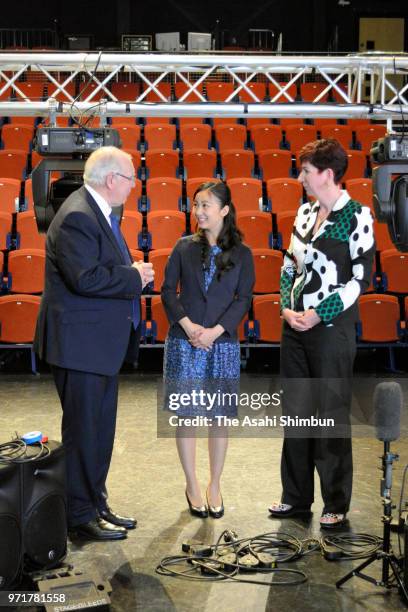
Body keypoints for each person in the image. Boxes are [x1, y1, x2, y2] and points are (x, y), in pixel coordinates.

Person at [34, 146, 154, 541]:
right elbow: (85, 279)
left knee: (98, 433)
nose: (133, 186)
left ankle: (95, 504)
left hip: (96, 348)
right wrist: (134, 276)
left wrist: (128, 273)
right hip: (80, 347)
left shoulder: (95, 212)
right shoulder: (78, 217)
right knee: (85, 434)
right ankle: (80, 515)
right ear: (110, 179)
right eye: (130, 179)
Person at [268, 139, 375, 528]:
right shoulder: (303, 212)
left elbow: (360, 279)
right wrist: (285, 307)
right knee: (296, 414)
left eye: (306, 171)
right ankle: (295, 497)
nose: (301, 177)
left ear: (328, 174)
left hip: (330, 329)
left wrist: (317, 314)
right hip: (293, 327)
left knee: (328, 414)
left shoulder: (357, 215)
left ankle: (336, 501)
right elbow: (287, 266)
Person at [161, 181, 254, 518]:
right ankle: (192, 484)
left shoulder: (242, 253)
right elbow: (168, 291)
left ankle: (215, 483)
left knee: (219, 418)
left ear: (224, 210)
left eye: (206, 205)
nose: (198, 211)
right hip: (184, 342)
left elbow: (243, 299)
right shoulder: (183, 246)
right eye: (196, 205)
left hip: (222, 344)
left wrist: (215, 332)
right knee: (186, 417)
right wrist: (188, 326)